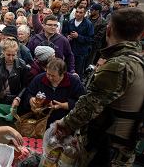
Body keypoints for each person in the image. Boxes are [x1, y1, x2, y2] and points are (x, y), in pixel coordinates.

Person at [56, 8, 144, 166]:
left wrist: (64, 125)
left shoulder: (119, 65)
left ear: (108, 29)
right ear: (141, 34)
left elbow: (89, 106)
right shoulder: (137, 63)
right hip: (119, 148)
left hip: (106, 150)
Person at [26, 58, 85, 128]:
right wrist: (31, 100)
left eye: (53, 76)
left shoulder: (74, 82)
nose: (49, 77)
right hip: (40, 119)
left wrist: (63, 105)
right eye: (48, 74)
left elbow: (82, 102)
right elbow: (29, 92)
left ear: (62, 74)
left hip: (63, 121)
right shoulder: (39, 78)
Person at [0, 39, 29, 111]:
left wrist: (18, 98)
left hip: (13, 99)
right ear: (3, 52)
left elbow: (25, 85)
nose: (11, 58)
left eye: (13, 55)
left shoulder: (22, 65)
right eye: (8, 55)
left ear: (17, 53)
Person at [64, 6, 94, 78]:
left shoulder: (88, 24)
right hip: (70, 51)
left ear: (84, 14)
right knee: (68, 70)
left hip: (81, 53)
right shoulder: (70, 22)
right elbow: (65, 33)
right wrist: (67, 37)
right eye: (77, 12)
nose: (78, 14)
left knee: (78, 72)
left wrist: (78, 37)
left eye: (80, 12)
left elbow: (90, 39)